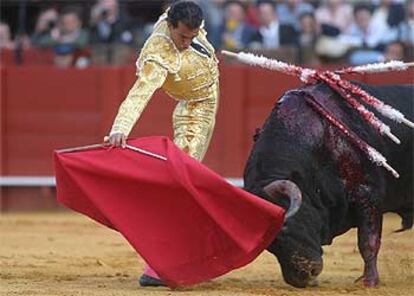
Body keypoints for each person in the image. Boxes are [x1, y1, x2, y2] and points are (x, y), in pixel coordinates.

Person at [104, 1, 219, 287]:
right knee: (180, 183)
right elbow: (139, 94)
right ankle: (163, 261)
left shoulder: (181, 17)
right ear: (170, 26)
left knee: (182, 183)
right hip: (195, 110)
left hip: (202, 101)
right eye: (182, 37)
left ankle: (177, 256)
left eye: (193, 37)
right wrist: (120, 127)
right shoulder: (158, 54)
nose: (186, 43)